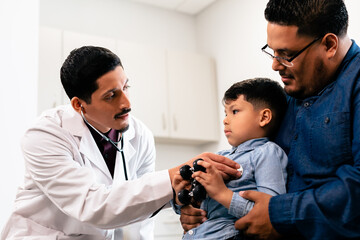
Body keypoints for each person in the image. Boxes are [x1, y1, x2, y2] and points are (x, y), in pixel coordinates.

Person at [0, 46, 242, 240]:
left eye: (126, 87)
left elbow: (142, 199)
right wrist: (172, 178)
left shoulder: (140, 135)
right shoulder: (45, 135)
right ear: (78, 104)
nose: (127, 103)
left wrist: (178, 200)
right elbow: (92, 205)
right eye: (111, 95)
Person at [180, 0, 360, 239]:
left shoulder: (354, 85)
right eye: (272, 51)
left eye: (286, 55)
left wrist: (279, 214)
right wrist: (199, 204)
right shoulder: (290, 95)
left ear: (328, 44)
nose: (275, 65)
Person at [172, 78, 288, 240]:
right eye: (225, 113)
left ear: (264, 117)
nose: (225, 120)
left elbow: (270, 214)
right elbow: (197, 207)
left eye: (234, 111)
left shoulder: (267, 153)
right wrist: (182, 198)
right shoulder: (221, 156)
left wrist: (222, 193)